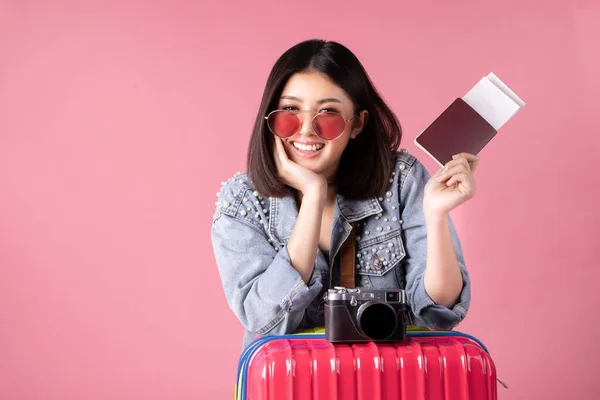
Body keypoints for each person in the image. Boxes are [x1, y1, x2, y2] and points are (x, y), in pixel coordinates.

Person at [211, 39, 479, 349]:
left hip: (388, 384)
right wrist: (313, 195)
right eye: (290, 111)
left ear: (358, 124)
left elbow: (438, 312)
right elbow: (262, 318)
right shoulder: (243, 201)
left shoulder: (400, 180)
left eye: (328, 114)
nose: (306, 129)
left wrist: (435, 215)